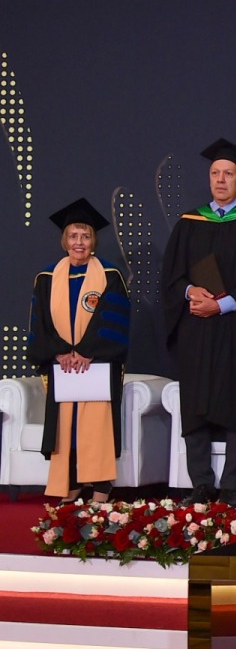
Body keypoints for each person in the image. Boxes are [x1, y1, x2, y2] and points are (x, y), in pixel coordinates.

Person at [161, 139, 236, 507]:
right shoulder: (189, 223)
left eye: (228, 174)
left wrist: (222, 305)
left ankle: (231, 487)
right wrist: (190, 291)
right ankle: (200, 483)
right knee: (195, 402)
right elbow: (171, 276)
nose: (221, 179)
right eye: (215, 173)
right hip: (195, 326)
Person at [27, 199, 130, 504]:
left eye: (85, 236)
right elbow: (40, 322)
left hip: (96, 364)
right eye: (73, 236)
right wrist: (60, 352)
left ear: (93, 240)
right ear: (65, 240)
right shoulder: (46, 277)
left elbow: (113, 320)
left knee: (96, 424)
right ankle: (71, 482)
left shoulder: (110, 275)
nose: (79, 242)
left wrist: (86, 351)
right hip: (62, 366)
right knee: (66, 427)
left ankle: (101, 484)